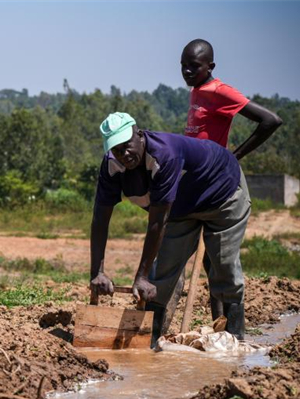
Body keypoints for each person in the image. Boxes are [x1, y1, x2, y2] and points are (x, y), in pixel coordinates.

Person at [90, 113, 250, 347]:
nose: (124, 154)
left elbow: (157, 222)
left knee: (223, 264)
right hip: (180, 207)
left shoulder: (164, 154)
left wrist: (141, 276)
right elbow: (100, 219)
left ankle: (236, 339)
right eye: (116, 150)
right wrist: (97, 271)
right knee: (163, 270)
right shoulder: (112, 166)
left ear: (139, 133)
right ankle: (150, 340)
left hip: (222, 193)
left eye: (127, 146)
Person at [181, 38, 283, 321]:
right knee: (207, 259)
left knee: (219, 259)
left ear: (210, 66)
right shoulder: (197, 91)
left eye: (194, 66)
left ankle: (231, 329)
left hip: (218, 181)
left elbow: (270, 120)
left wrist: (234, 156)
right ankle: (218, 324)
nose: (187, 71)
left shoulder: (220, 91)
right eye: (183, 66)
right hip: (196, 180)